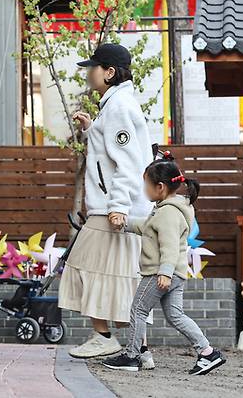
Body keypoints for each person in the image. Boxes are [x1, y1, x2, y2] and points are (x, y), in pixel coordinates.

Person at [59, 43, 155, 368]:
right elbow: (111, 155)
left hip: (112, 209)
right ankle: (138, 350)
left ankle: (104, 337)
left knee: (89, 267)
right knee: (119, 276)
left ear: (109, 72)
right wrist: (91, 130)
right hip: (114, 206)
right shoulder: (115, 104)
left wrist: (118, 206)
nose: (89, 73)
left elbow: (127, 162)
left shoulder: (118, 107)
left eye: (93, 67)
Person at [103, 155, 226, 375]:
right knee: (175, 315)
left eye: (146, 186)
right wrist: (125, 224)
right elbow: (148, 227)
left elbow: (168, 245)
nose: (144, 190)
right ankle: (207, 352)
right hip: (174, 273)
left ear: (160, 187)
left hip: (159, 272)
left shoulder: (168, 212)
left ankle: (132, 356)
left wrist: (165, 272)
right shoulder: (168, 208)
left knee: (138, 310)